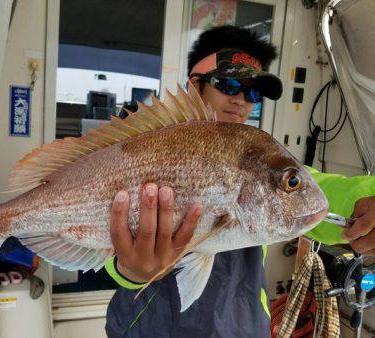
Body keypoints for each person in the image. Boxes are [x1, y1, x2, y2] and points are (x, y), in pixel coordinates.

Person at [103, 25, 375, 337]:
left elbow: (317, 194)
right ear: (195, 85)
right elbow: (102, 221)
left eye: (253, 92)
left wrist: (365, 201)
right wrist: (129, 270)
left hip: (240, 327)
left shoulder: (261, 160)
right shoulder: (143, 142)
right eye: (229, 84)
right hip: (147, 327)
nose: (242, 101)